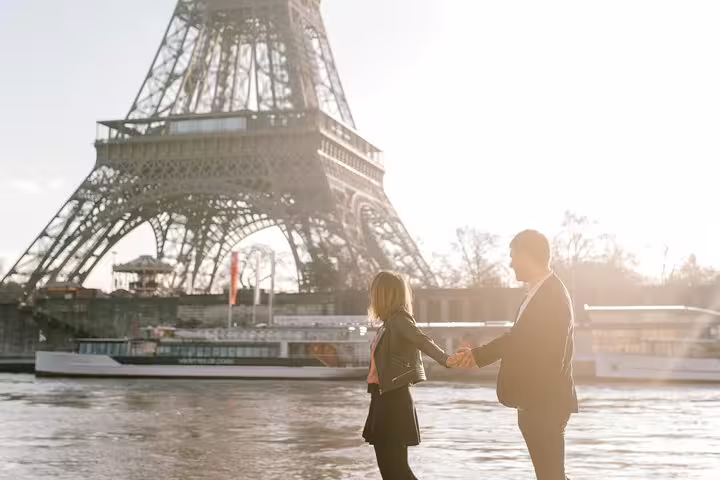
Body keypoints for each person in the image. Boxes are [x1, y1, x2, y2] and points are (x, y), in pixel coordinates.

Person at [453, 229, 578, 480]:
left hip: (544, 404)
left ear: (527, 255)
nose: (510, 263)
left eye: (513, 256)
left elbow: (553, 356)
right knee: (550, 476)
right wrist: (476, 356)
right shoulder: (537, 292)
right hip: (536, 403)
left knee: (551, 476)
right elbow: (517, 340)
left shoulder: (552, 296)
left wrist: (532, 401)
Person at [362, 270, 455, 480]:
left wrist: (445, 359)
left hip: (392, 400)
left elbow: (421, 340)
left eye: (374, 292)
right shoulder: (387, 324)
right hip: (383, 397)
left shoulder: (399, 321)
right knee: (391, 470)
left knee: (396, 470)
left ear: (383, 294)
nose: (372, 297)